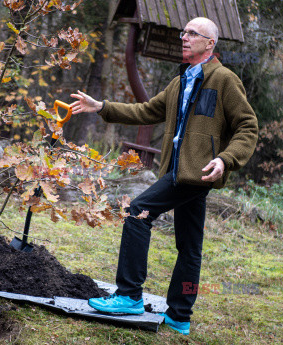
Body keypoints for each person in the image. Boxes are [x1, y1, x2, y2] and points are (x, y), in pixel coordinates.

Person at [70, 17, 258, 335]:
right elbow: (145, 111)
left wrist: (226, 160)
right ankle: (180, 315)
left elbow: (248, 126)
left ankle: (129, 295)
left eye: (192, 34)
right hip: (177, 170)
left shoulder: (225, 80)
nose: (183, 37)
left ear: (210, 43)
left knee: (137, 211)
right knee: (190, 246)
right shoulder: (180, 82)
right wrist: (101, 106)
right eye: (182, 32)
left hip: (194, 174)